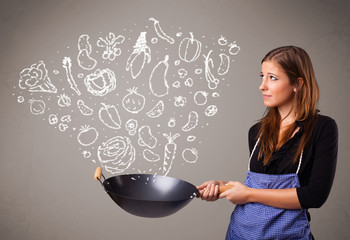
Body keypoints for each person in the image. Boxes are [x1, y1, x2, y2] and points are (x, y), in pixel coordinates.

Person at [197, 46, 338, 240]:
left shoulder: (322, 128)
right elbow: (256, 187)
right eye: (262, 76)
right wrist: (223, 187)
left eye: (272, 78)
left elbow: (314, 196)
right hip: (240, 233)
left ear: (297, 83)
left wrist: (248, 194)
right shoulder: (256, 132)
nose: (262, 86)